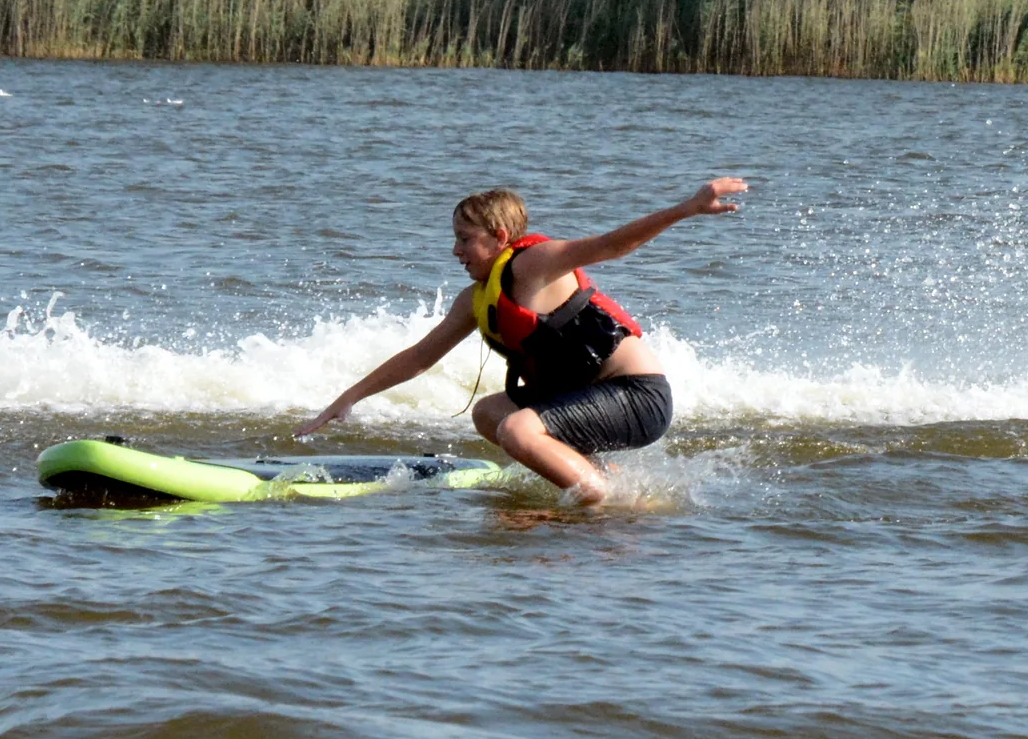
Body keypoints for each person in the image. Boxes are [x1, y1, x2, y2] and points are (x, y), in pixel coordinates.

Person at [298, 179, 747, 503]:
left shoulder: (534, 263)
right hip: (589, 397)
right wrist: (348, 398)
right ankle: (598, 479)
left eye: (464, 240)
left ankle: (602, 500)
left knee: (517, 429)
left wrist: (687, 208)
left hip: (637, 398)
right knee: (490, 413)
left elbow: (614, 245)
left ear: (498, 238)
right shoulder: (475, 299)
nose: (455, 251)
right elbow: (420, 357)